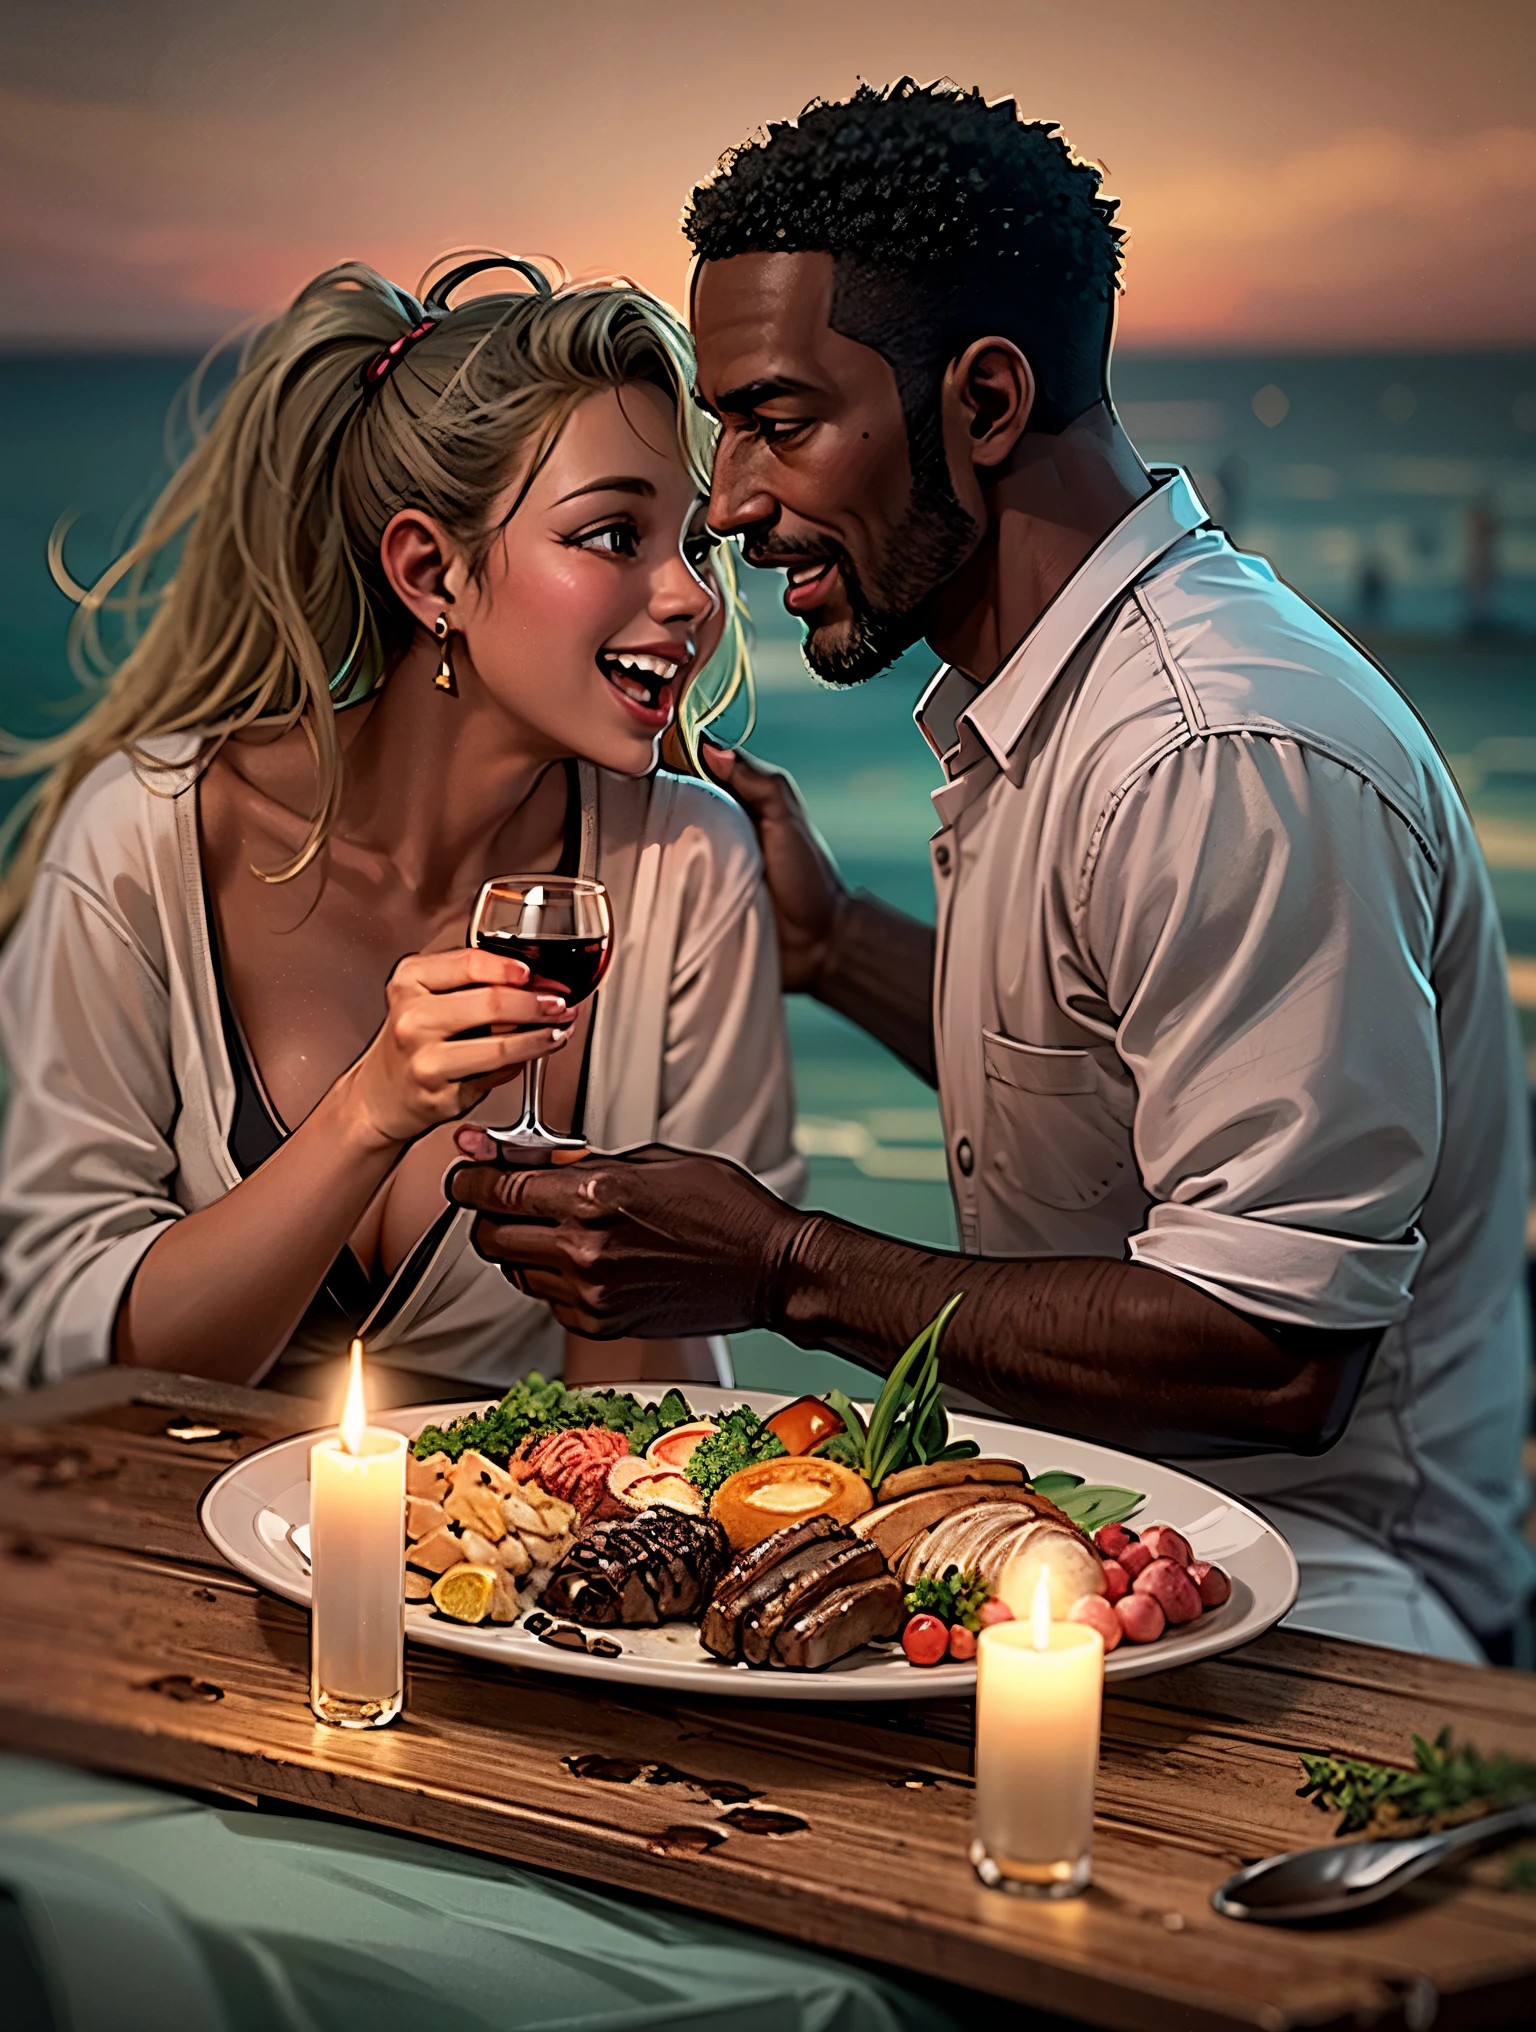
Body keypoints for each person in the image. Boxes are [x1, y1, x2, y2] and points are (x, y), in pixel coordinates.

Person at [451, 85, 1533, 1663]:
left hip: (1336, 1608)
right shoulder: (1056, 701)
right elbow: (1116, 1066)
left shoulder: (1210, 753)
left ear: (986, 400)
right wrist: (837, 947)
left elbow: (1274, 1354)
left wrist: (782, 1264)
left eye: (778, 421)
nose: (734, 505)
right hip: (1102, 1543)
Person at [0, 255, 800, 1404]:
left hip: (489, 1574)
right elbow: (77, 1361)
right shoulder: (145, 838)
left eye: (700, 544)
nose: (691, 598)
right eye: (616, 535)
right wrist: (369, 1112)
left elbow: (645, 1403)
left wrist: (653, 1261)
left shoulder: (691, 869)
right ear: (433, 570)